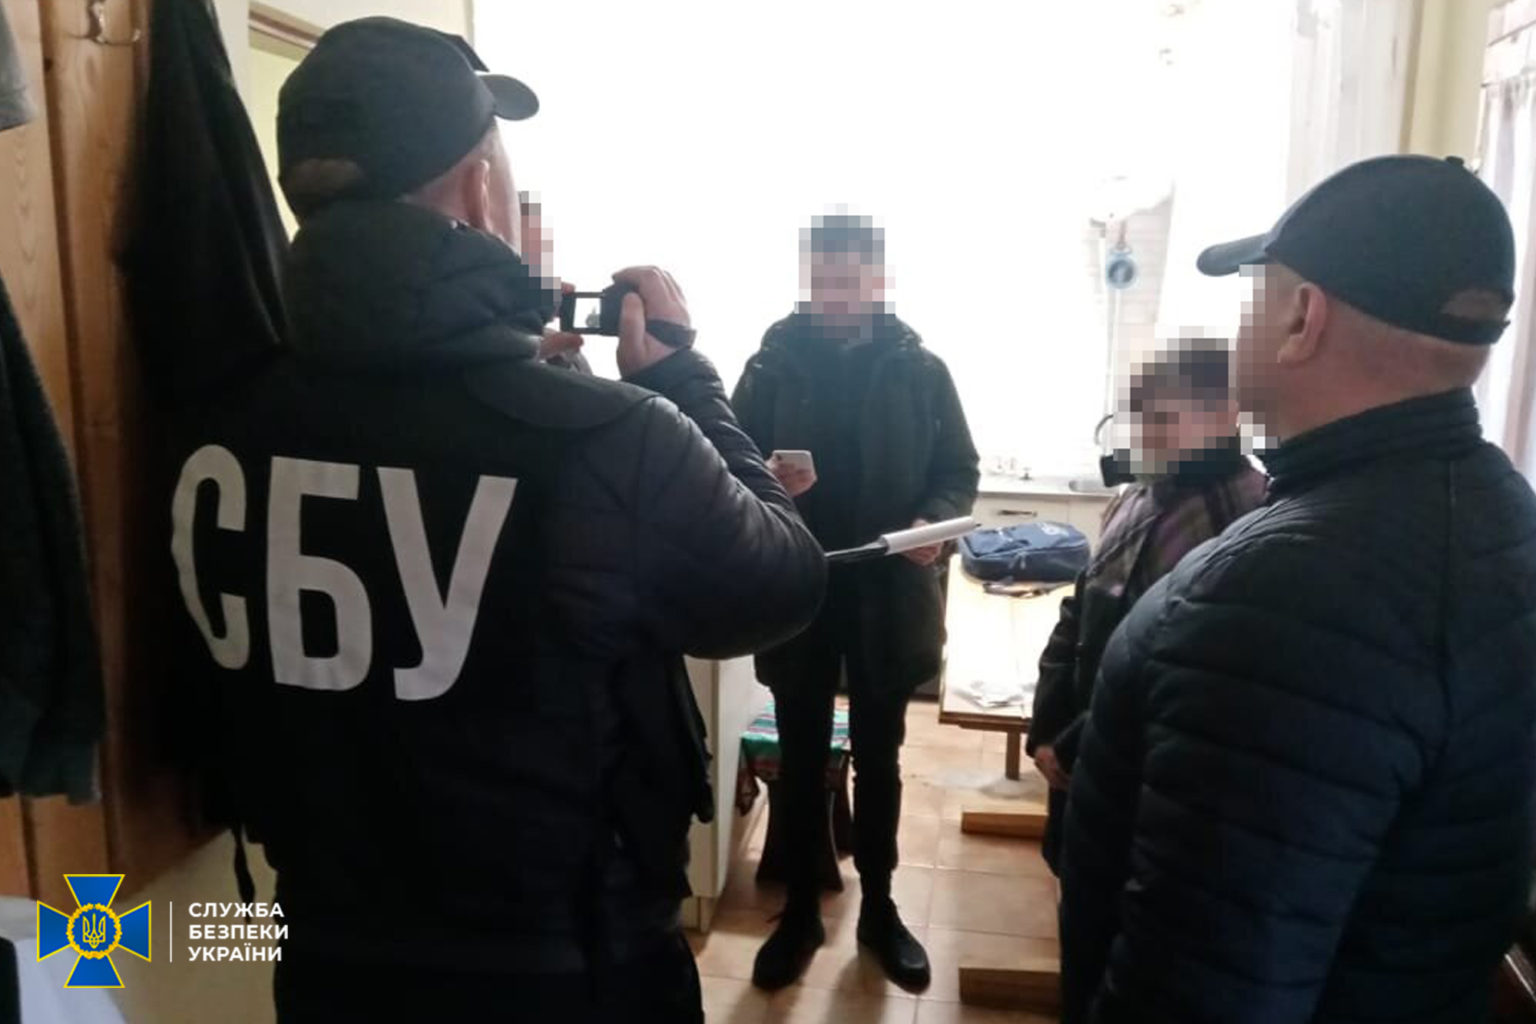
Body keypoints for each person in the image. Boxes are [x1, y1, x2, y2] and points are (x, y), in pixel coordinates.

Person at [167, 18, 825, 1024]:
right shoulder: (612, 437)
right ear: (479, 191)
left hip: (329, 962)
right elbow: (783, 582)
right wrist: (686, 382)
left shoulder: (219, 414)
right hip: (568, 971)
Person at [1057, 154, 1536, 1024]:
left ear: (1302, 317)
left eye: (1255, 291)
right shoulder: (1499, 509)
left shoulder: (1282, 597)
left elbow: (1205, 992)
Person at [732, 213, 980, 991]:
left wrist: (930, 523)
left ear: (878, 280)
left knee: (881, 758)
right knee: (801, 758)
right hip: (799, 586)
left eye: (851, 278)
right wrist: (768, 479)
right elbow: (725, 464)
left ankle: (879, 906)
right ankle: (800, 910)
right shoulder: (769, 367)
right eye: (824, 278)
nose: (837, 293)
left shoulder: (921, 369)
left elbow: (959, 469)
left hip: (888, 590)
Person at [1028, 337, 1265, 874]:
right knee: (1074, 876)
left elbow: (1190, 668)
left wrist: (1077, 740)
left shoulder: (1250, 516)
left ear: (1226, 414)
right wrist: (1048, 726)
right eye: (1136, 417)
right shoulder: (1135, 496)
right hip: (1083, 753)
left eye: (1161, 419)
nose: (1142, 434)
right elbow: (1079, 612)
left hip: (1154, 777)